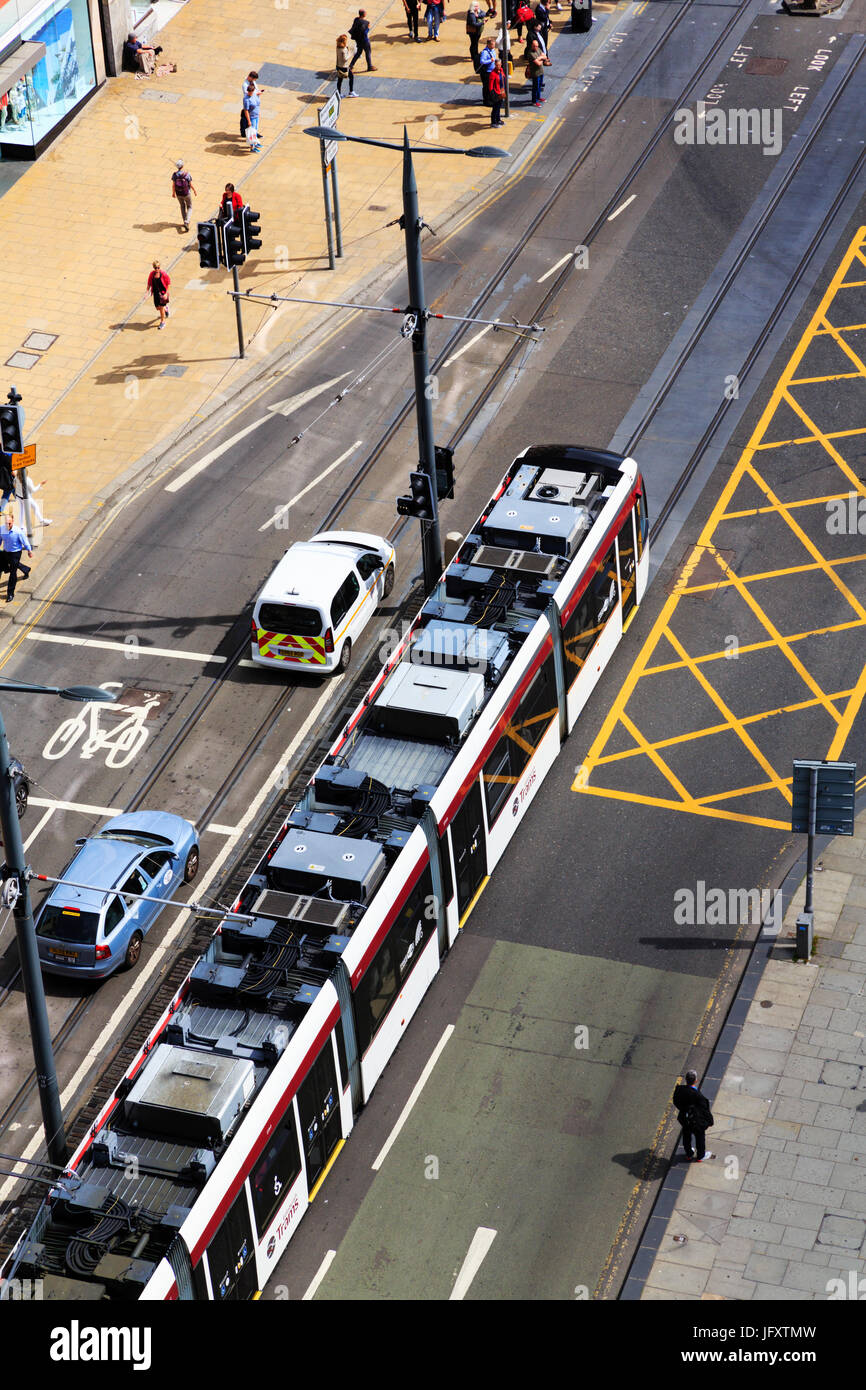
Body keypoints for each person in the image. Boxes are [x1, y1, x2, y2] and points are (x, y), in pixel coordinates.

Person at [672, 1069, 714, 1162]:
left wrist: (684, 1109)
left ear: (686, 1080)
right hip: (697, 1121)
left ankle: (689, 1153)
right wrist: (710, 1121)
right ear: (696, 1080)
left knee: (686, 1135)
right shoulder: (698, 1096)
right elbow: (705, 1110)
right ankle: (700, 1156)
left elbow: (676, 1101)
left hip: (685, 1119)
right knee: (700, 1138)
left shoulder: (679, 1090)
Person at [0, 512, 32, 603]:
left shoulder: (18, 531)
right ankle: (26, 569)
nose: (8, 525)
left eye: (9, 523)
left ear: (13, 521)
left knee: (13, 572)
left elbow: (25, 542)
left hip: (16, 553)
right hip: (6, 552)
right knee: (6, 566)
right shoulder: (1, 529)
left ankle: (10, 593)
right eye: (6, 523)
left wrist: (29, 551)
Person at [171, 160, 196, 231]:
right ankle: (187, 221)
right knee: (190, 207)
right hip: (186, 193)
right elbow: (190, 185)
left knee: (182, 206)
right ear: (183, 166)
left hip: (178, 193)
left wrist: (173, 193)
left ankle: (184, 221)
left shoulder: (174, 175)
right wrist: (194, 190)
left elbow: (173, 185)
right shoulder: (186, 174)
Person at [146, 260, 171, 329]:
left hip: (163, 293)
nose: (157, 269)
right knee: (158, 308)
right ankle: (166, 309)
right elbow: (149, 283)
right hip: (156, 293)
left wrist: (166, 293)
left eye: (158, 267)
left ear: (160, 267)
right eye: (155, 268)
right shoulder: (152, 274)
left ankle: (162, 322)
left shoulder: (163, 274)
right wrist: (147, 292)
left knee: (161, 308)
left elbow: (168, 283)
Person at [525, 39, 550, 104]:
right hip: (535, 73)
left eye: (536, 46)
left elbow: (545, 56)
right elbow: (538, 63)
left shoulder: (538, 49)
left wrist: (539, 58)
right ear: (532, 46)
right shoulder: (531, 53)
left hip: (541, 71)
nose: (536, 47)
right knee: (535, 87)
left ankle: (538, 98)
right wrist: (541, 58)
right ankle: (534, 101)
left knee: (539, 86)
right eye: (534, 46)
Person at [466, 3, 486, 70]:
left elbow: (484, 13)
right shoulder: (471, 14)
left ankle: (476, 55)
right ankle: (473, 56)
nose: (478, 7)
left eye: (478, 6)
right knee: (474, 43)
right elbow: (474, 24)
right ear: (473, 7)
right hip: (473, 32)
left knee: (476, 43)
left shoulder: (478, 11)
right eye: (476, 6)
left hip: (477, 31)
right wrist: (482, 23)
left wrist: (478, 15)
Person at [244, 82, 261, 152]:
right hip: (252, 117)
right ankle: (252, 147)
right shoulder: (246, 99)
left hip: (256, 116)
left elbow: (257, 103)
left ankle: (255, 143)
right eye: (250, 92)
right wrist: (249, 121)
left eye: (252, 92)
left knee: (256, 130)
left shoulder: (254, 94)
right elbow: (246, 110)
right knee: (252, 133)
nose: (251, 93)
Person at [478, 37, 496, 103]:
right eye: (493, 45)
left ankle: (491, 98)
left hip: (492, 71)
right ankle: (486, 100)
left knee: (492, 86)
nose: (494, 46)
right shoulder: (485, 52)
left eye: (494, 44)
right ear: (489, 45)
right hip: (486, 73)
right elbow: (482, 62)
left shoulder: (493, 50)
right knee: (486, 87)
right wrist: (490, 61)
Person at [489, 57, 504, 126]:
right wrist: (492, 94)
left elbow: (503, 78)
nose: (498, 66)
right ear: (495, 65)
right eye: (497, 65)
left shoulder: (501, 70)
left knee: (499, 107)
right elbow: (490, 85)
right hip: (496, 93)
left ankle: (498, 119)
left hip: (501, 92)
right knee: (495, 108)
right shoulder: (493, 73)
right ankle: (493, 122)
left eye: (499, 65)